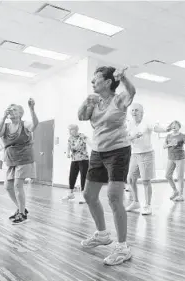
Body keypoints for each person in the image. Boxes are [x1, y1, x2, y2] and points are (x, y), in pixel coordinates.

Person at [78, 66, 135, 266]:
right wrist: (87, 101)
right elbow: (81, 117)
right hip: (97, 152)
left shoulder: (118, 99)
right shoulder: (95, 101)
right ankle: (102, 234)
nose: (92, 83)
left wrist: (125, 79)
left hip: (118, 151)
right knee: (88, 195)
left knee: (113, 197)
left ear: (108, 81)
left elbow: (132, 93)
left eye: (96, 80)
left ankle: (122, 248)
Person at [0, 99, 39, 225]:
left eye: (14, 109)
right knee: (8, 187)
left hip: (24, 158)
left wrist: (32, 109)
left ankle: (22, 214)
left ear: (20, 113)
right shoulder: (6, 126)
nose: (11, 110)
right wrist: (3, 117)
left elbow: (34, 125)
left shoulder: (24, 124)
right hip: (11, 159)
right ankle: (22, 209)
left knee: (17, 185)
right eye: (9, 109)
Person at [125, 103, 170, 215]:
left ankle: (148, 205)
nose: (134, 112)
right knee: (130, 179)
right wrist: (133, 137)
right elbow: (126, 138)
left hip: (146, 154)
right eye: (132, 110)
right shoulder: (130, 124)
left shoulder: (147, 122)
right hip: (135, 154)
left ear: (142, 112)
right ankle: (136, 202)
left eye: (136, 110)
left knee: (145, 180)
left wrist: (166, 129)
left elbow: (156, 128)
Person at [63, 124, 90, 203]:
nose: (69, 131)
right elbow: (68, 146)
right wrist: (68, 153)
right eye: (69, 130)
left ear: (75, 130)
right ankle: (71, 193)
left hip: (83, 159)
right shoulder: (70, 138)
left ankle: (84, 196)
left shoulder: (82, 136)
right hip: (74, 159)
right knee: (72, 176)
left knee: (83, 177)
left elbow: (87, 142)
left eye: (71, 130)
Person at [164, 121, 185, 202]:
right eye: (172, 125)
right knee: (167, 175)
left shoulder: (182, 136)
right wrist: (170, 144)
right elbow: (164, 146)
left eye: (175, 125)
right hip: (171, 158)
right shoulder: (168, 136)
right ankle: (175, 191)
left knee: (180, 177)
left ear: (179, 126)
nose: (174, 127)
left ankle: (181, 195)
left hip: (180, 158)